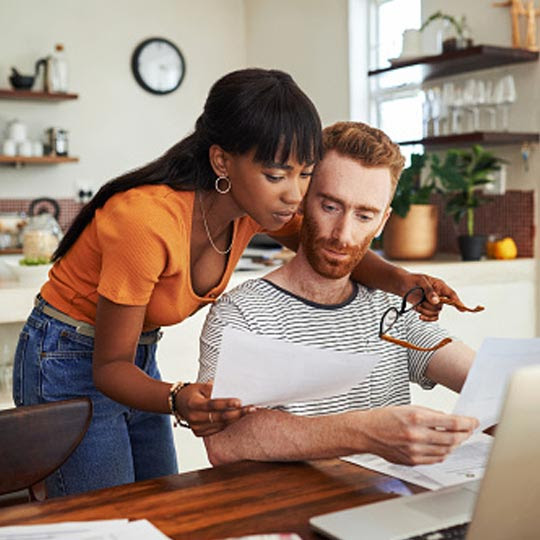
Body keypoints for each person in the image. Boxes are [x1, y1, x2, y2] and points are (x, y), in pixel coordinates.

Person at [13, 69, 460, 497]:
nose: (295, 194)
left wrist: (404, 281)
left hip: (135, 355)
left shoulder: (256, 209)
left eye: (305, 173)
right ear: (222, 160)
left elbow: (331, 245)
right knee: (107, 519)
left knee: (160, 507)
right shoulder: (145, 222)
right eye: (276, 174)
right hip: (68, 355)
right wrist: (178, 398)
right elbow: (109, 368)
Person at [198, 121, 480, 467]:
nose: (343, 235)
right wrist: (363, 432)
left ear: (382, 221)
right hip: (288, 516)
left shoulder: (390, 309)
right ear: (302, 200)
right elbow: (226, 441)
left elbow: (482, 378)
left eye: (364, 215)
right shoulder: (242, 312)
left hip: (383, 506)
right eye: (330, 207)